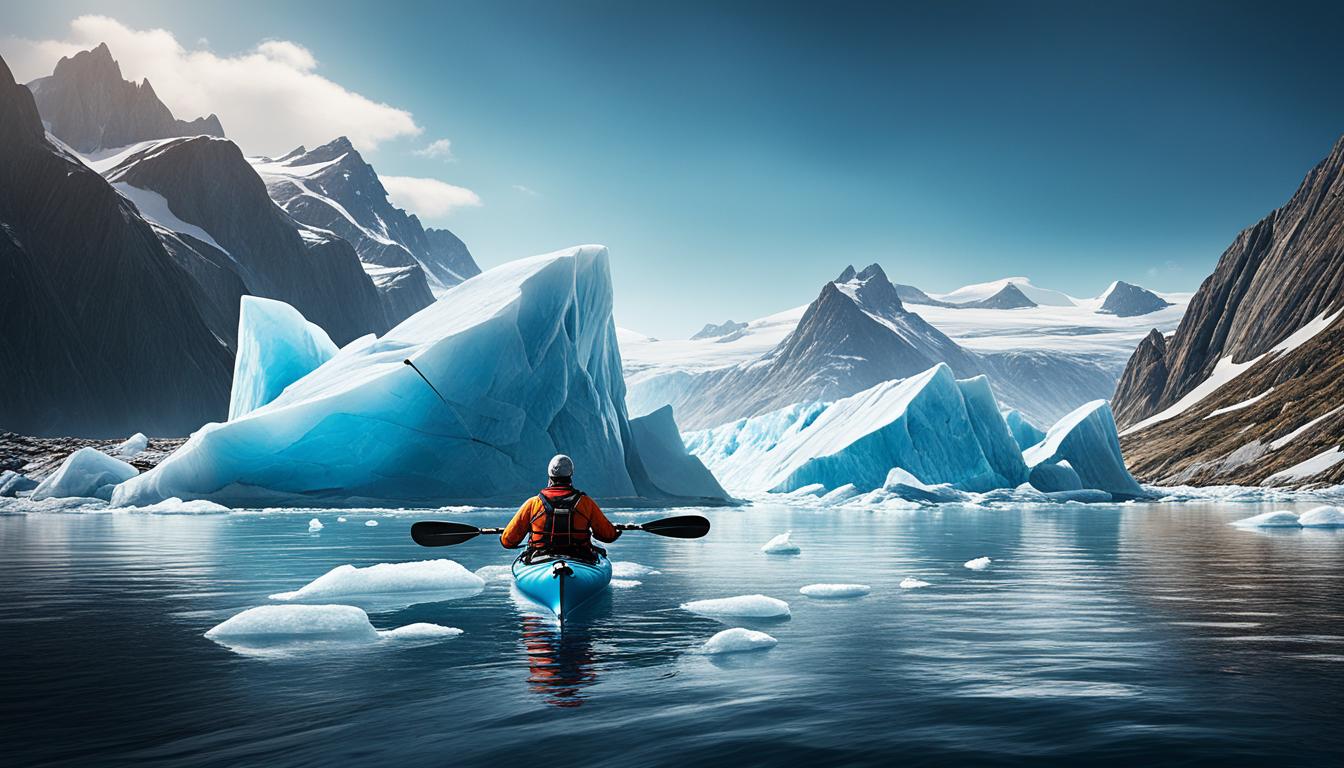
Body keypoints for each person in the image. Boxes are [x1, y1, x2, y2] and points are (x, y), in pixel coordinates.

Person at [500, 454, 620, 559]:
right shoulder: (585, 503)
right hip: (579, 555)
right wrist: (611, 531)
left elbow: (508, 541)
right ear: (571, 475)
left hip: (540, 557)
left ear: (550, 476)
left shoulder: (533, 503)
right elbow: (608, 535)